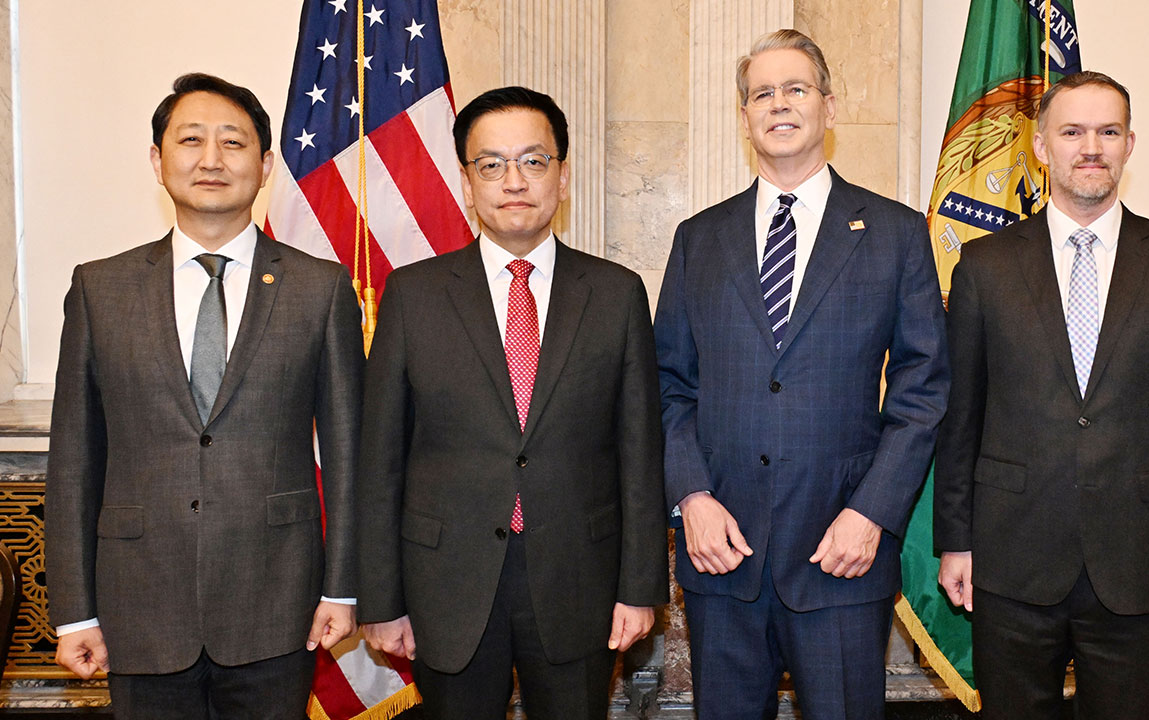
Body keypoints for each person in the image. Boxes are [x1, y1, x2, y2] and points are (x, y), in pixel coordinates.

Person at [45, 73, 364, 718]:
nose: (212, 159)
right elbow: (74, 459)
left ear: (265, 166)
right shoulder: (100, 290)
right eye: (191, 140)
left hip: (279, 603)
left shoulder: (320, 289)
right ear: (157, 160)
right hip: (140, 604)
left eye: (233, 142)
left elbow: (349, 454)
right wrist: (74, 611)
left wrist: (344, 588)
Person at [654, 29, 949, 719]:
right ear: (745, 116)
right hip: (722, 554)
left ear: (829, 106)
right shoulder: (699, 238)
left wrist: (872, 513)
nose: (779, 103)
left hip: (842, 553)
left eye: (795, 88)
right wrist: (692, 497)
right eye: (762, 93)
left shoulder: (897, 233)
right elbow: (668, 383)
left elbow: (924, 389)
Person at [356, 86, 667, 720]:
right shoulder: (413, 296)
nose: (514, 181)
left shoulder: (615, 293)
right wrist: (382, 599)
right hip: (447, 582)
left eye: (533, 161)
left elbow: (640, 452)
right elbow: (380, 459)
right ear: (467, 183)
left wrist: (640, 588)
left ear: (562, 176)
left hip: (579, 579)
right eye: (492, 164)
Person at [935, 70, 1149, 719]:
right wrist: (955, 540)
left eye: (1108, 132)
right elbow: (960, 420)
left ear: (1130, 144)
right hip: (1010, 562)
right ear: (1042, 146)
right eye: (1072, 132)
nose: (1090, 147)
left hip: (1142, 564)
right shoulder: (984, 267)